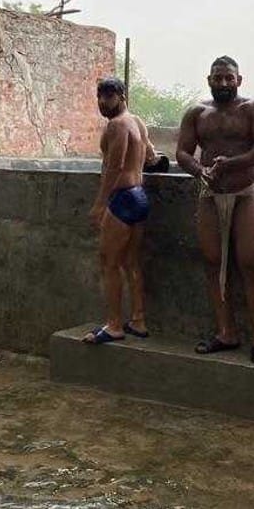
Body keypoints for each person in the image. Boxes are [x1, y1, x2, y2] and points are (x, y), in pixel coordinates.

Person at [175, 56, 254, 363]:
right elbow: (182, 152)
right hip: (210, 193)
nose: (223, 83)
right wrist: (199, 170)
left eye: (228, 78)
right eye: (218, 78)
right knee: (212, 262)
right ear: (209, 80)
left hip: (246, 193)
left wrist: (231, 164)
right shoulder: (197, 112)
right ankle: (226, 332)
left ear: (239, 80)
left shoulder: (253, 109)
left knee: (251, 263)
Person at [82, 77, 153, 344]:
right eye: (99, 97)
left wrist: (100, 204)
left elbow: (115, 165)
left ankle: (114, 325)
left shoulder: (117, 125)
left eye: (108, 97)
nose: (102, 102)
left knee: (109, 262)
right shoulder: (138, 122)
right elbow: (151, 156)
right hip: (139, 196)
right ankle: (138, 320)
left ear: (122, 97)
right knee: (130, 262)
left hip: (122, 198)